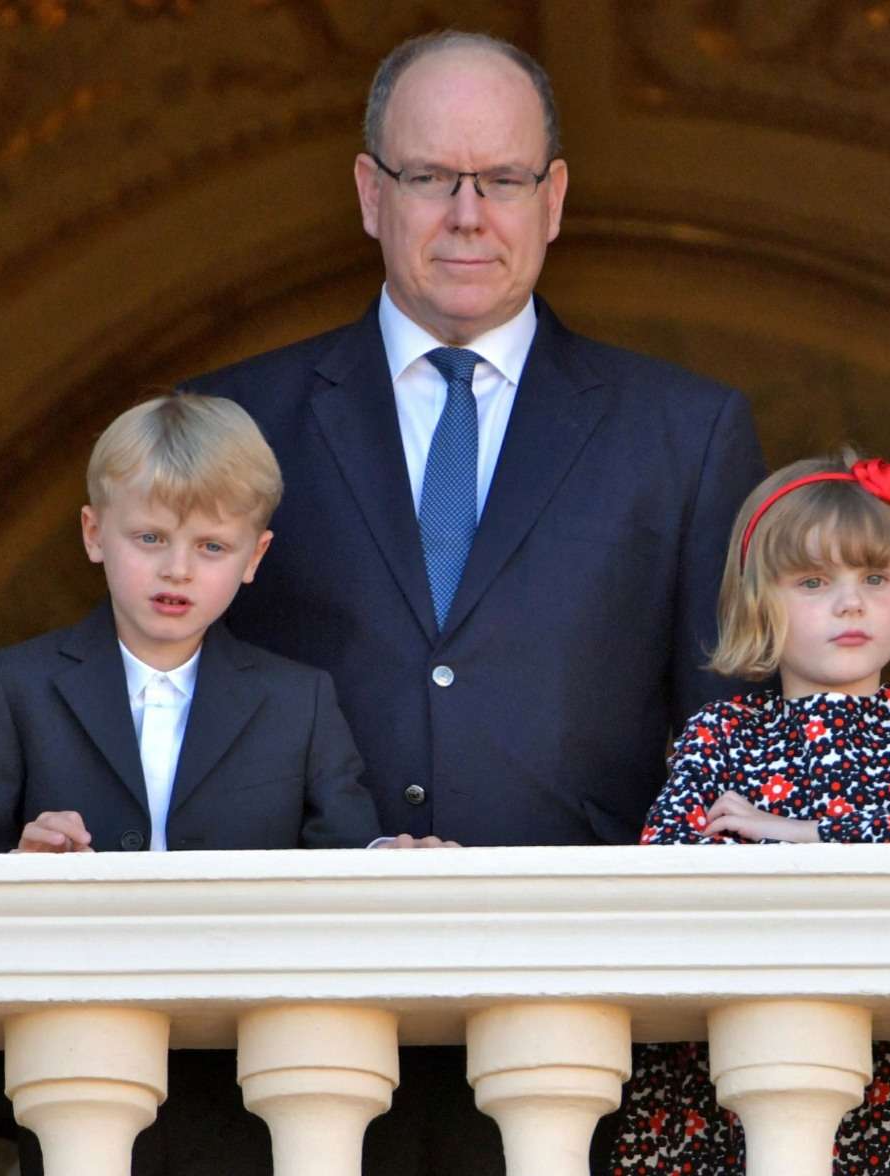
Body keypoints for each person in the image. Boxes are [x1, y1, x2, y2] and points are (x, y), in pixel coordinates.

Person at [183, 28, 764, 1176]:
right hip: (294, 1036)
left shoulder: (684, 433)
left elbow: (725, 740)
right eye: (428, 177)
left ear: (552, 200)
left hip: (584, 1044)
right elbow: (167, 696)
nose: (466, 213)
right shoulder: (236, 422)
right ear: (368, 192)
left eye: (500, 180)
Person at [0, 393, 446, 1176]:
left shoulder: (297, 698)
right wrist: (18, 861)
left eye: (212, 546)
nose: (177, 568)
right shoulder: (17, 684)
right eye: (150, 537)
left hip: (246, 1084)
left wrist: (387, 855)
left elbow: (339, 855)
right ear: (93, 533)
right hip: (75, 1066)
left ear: (255, 557)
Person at [609, 450, 890, 1176]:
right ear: (759, 600)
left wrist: (805, 834)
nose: (850, 603)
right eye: (814, 581)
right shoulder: (722, 733)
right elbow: (666, 867)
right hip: (728, 1080)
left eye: (875, 579)